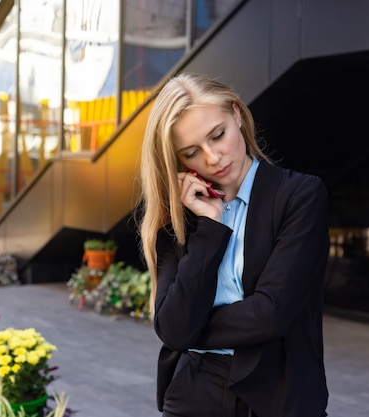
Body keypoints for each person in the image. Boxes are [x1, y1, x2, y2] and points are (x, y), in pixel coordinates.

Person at [139, 73, 329, 417]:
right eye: (192, 152)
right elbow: (172, 328)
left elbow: (270, 315)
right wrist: (211, 226)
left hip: (279, 395)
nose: (212, 158)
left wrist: (191, 331)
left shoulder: (299, 196)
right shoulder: (180, 219)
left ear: (237, 114)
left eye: (218, 135)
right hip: (192, 394)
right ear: (179, 160)